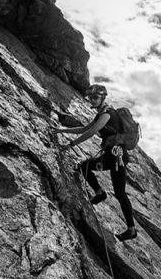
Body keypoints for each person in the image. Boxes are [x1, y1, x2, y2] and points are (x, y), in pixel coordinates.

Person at [53, 84, 137, 241]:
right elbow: (85, 128)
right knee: (85, 167)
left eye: (95, 97)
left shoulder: (107, 114)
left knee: (119, 192)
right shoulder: (102, 114)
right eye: (90, 97)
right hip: (113, 157)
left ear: (103, 98)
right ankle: (100, 194)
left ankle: (131, 229)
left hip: (116, 159)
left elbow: (91, 132)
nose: (92, 100)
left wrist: (70, 145)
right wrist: (61, 130)